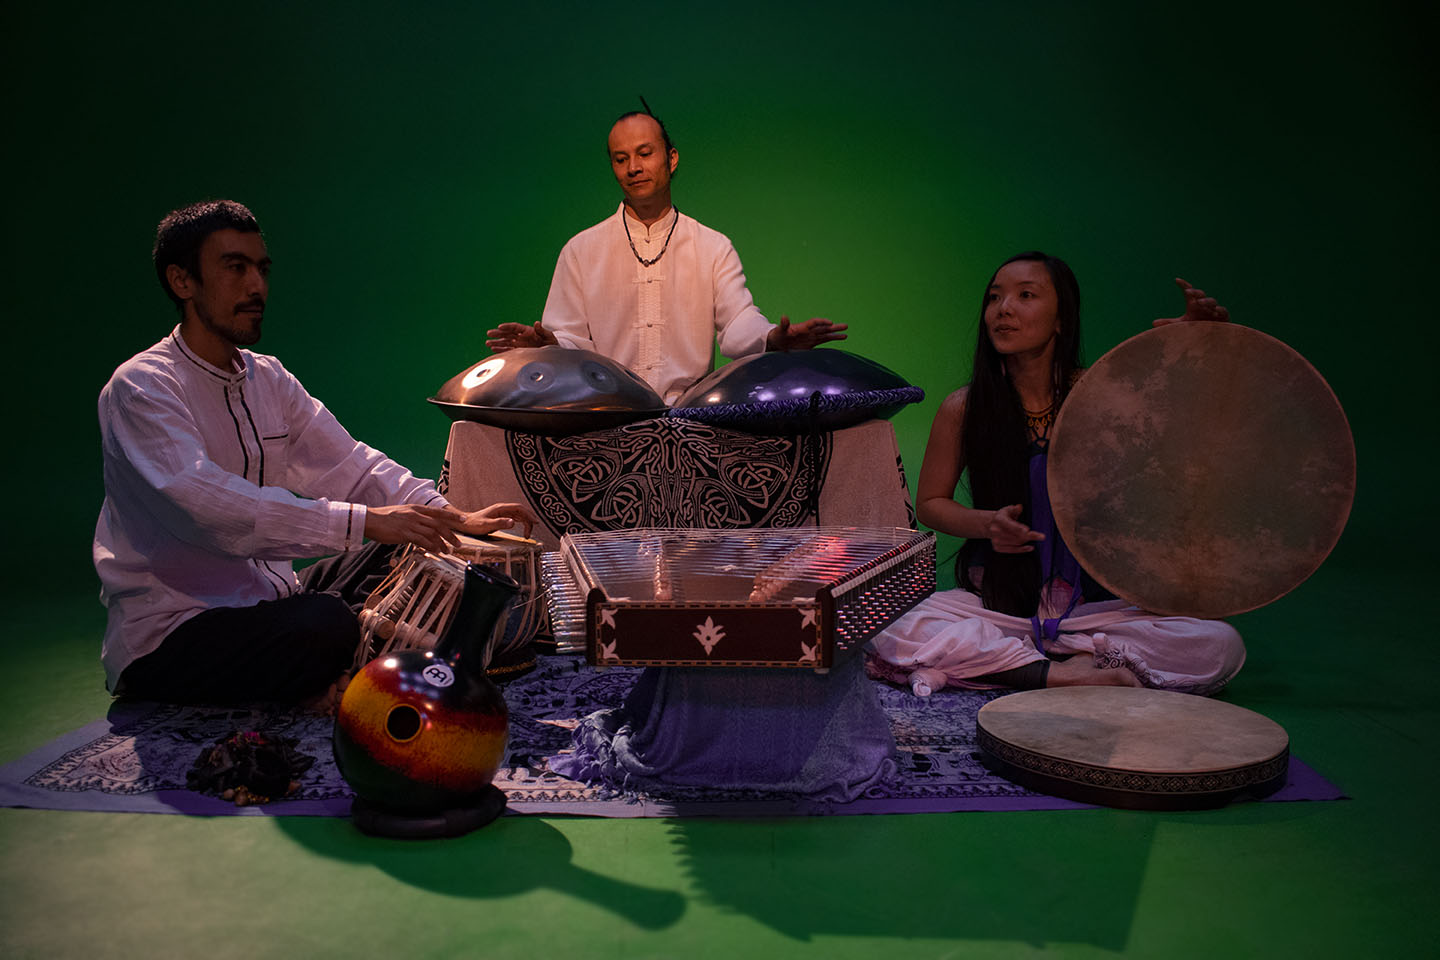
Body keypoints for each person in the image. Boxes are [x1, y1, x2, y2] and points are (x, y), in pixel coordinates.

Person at [95, 199, 537, 706]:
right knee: (325, 622)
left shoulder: (268, 377)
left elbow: (353, 466)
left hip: (269, 599)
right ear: (182, 281)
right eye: (235, 268)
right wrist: (367, 520)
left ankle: (326, 675)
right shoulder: (142, 387)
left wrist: (449, 516)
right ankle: (325, 672)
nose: (256, 286)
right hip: (175, 628)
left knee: (412, 544)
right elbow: (210, 508)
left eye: (261, 269)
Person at [867, 252, 1246, 697]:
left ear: (1062, 319)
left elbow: (1181, 443)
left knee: (1221, 644)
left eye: (1025, 295)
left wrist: (1190, 351)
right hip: (1001, 605)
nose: (1003, 309)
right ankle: (1069, 672)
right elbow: (932, 503)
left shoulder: (1101, 394)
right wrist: (987, 525)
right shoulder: (964, 407)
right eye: (994, 298)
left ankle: (1039, 661)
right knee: (889, 623)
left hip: (1098, 607)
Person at [485, 106, 848, 403]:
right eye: (621, 159)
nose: (633, 168)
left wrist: (773, 338)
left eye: (645, 154)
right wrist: (549, 345)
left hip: (692, 419)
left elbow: (738, 322)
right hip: (606, 418)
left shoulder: (712, 246)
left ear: (671, 158)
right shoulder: (581, 251)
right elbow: (571, 341)